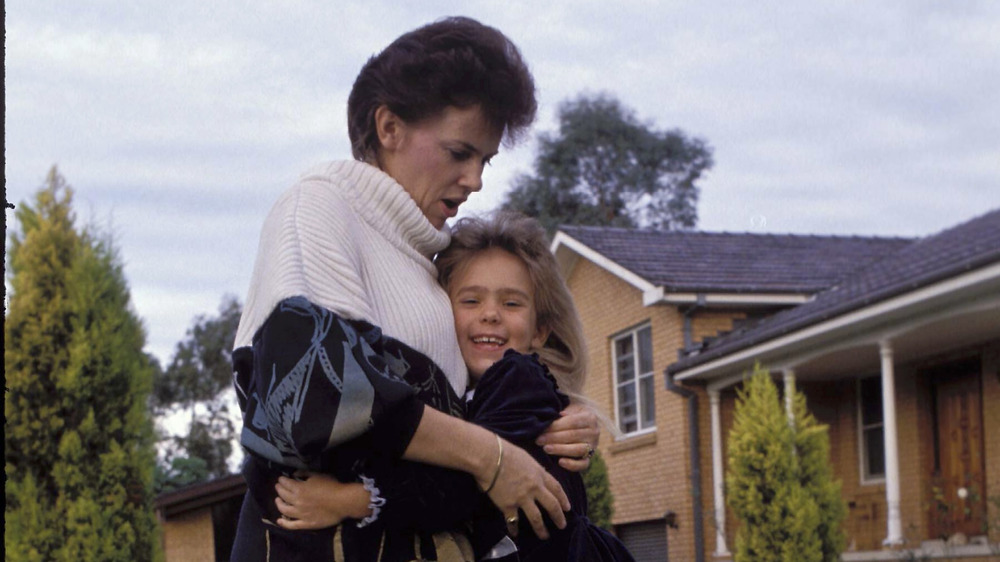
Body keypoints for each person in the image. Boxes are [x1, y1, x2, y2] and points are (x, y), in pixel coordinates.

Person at [230, 17, 600, 562]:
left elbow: (460, 424)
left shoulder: (423, 264)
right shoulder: (319, 207)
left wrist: (557, 422)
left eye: (485, 161)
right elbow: (316, 391)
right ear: (389, 128)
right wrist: (493, 456)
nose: (476, 180)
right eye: (459, 153)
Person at [274, 212, 634, 561]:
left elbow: (461, 485)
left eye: (511, 303)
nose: (490, 314)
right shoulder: (464, 397)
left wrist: (349, 501)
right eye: (471, 300)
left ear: (540, 330)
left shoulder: (518, 379)